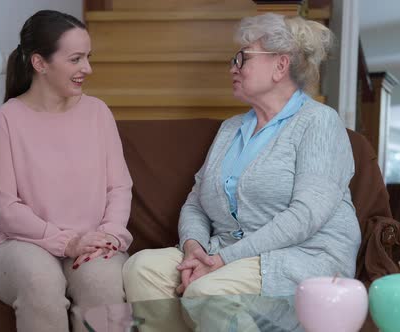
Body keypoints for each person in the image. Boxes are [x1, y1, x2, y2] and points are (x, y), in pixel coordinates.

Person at [123, 13, 361, 301]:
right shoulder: (231, 128)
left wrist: (223, 259)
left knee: (207, 291)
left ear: (280, 65)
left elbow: (306, 216)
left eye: (242, 58)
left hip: (300, 257)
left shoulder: (319, 122)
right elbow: (196, 202)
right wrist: (193, 247)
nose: (232, 68)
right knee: (141, 268)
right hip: (223, 254)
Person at [0, 10, 133, 332]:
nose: (87, 69)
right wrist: (64, 243)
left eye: (88, 58)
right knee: (41, 281)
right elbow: (7, 209)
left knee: (103, 285)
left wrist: (110, 234)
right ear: (40, 63)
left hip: (91, 239)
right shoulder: (7, 120)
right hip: (19, 243)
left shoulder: (97, 112)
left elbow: (118, 188)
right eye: (76, 59)